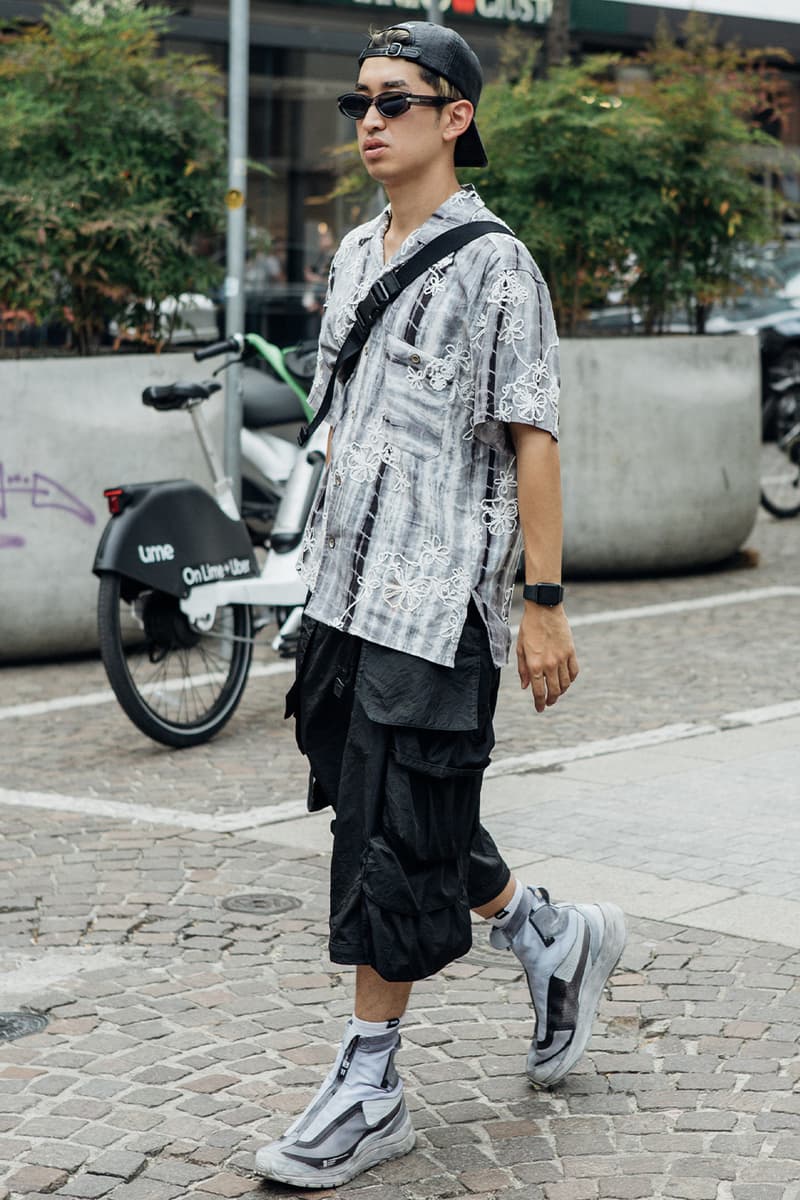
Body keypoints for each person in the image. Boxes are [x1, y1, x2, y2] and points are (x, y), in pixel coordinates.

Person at [255, 21, 626, 1190]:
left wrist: (545, 603)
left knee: (389, 825)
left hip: (435, 603)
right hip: (344, 590)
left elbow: (533, 437)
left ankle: (371, 1084)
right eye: (358, 102)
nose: (368, 121)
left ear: (454, 117)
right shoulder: (353, 251)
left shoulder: (496, 266)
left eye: (395, 101)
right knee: (380, 797)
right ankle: (548, 936)